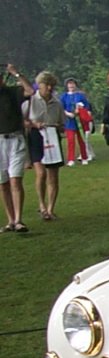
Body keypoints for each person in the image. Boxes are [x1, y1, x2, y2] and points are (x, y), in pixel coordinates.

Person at [24, 71, 64, 221]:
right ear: (39, 85)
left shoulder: (57, 103)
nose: (48, 88)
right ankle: (41, 205)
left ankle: (50, 209)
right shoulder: (31, 100)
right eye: (45, 85)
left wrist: (58, 126)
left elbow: (62, 124)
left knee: (53, 175)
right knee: (41, 173)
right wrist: (34, 124)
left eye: (51, 85)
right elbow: (24, 121)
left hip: (53, 137)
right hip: (36, 137)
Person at [1, 65, 32, 233]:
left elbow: (30, 91)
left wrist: (16, 73)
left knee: (15, 179)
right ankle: (11, 220)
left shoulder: (13, 92)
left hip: (14, 139)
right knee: (3, 183)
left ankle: (19, 220)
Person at [61, 78, 92, 166]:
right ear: (67, 85)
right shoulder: (64, 96)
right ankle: (71, 159)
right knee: (70, 140)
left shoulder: (80, 96)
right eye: (69, 84)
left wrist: (81, 111)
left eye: (73, 84)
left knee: (82, 140)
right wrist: (67, 113)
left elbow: (87, 107)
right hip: (69, 121)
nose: (71, 85)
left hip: (80, 121)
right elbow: (61, 108)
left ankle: (84, 157)